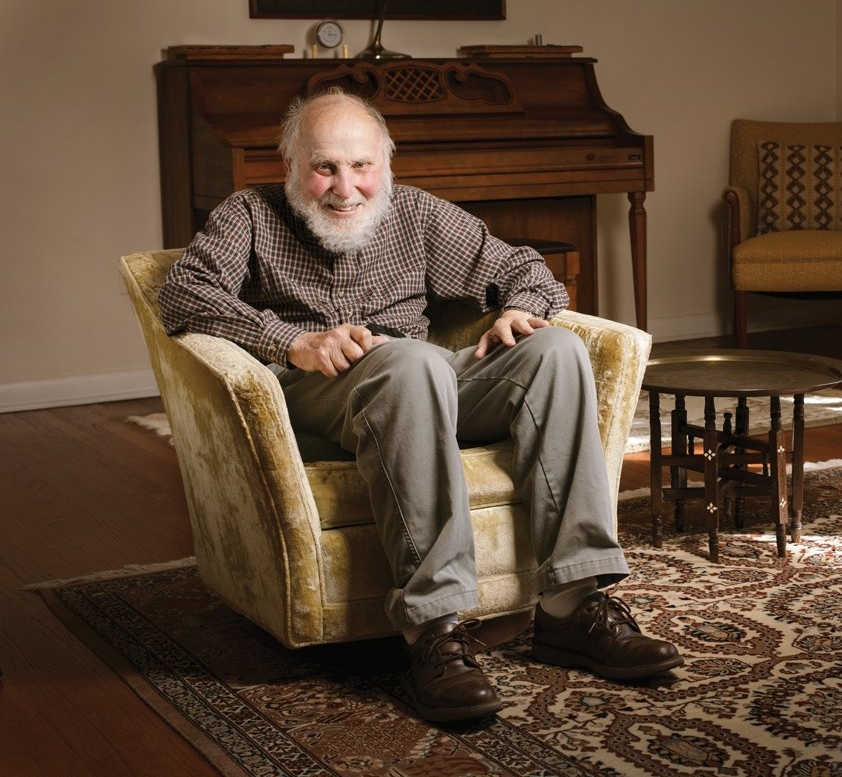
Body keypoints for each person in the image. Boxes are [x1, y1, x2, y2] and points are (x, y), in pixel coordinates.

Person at [158, 88, 682, 724]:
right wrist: (291, 340)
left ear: (386, 166)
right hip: (316, 396)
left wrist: (523, 306)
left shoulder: (419, 215)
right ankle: (434, 628)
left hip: (423, 384)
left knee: (556, 351)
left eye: (362, 166)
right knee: (412, 360)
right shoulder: (249, 215)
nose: (345, 187)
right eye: (324, 166)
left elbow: (523, 267)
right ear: (291, 169)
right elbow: (183, 293)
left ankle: (572, 605)